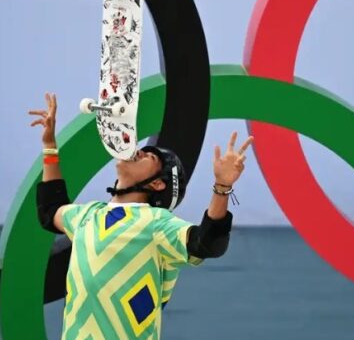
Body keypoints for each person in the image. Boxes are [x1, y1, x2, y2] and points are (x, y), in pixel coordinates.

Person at [30, 92, 252, 339]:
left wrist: (222, 186)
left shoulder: (156, 223)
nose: (138, 151)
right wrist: (49, 146)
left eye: (150, 157)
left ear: (157, 184)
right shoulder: (87, 216)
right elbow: (50, 211)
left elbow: (207, 244)